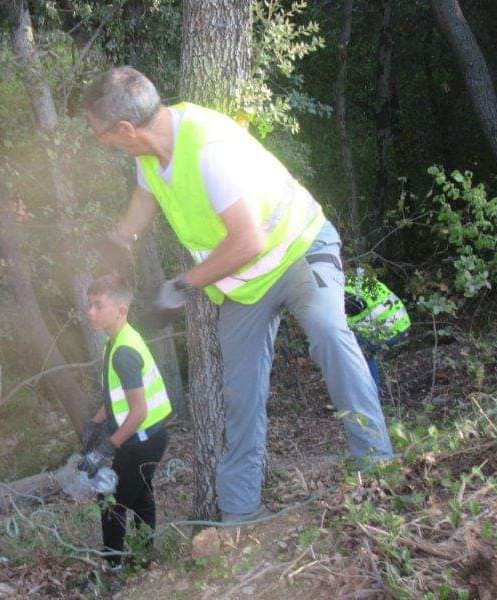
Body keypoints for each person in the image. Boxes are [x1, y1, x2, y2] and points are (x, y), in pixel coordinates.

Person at [83, 66, 394, 525]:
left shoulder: (209, 147)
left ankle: (380, 467)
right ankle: (239, 517)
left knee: (329, 333)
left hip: (300, 249)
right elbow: (146, 198)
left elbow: (248, 241)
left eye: (101, 134)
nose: (102, 142)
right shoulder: (148, 152)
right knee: (240, 392)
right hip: (247, 286)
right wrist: (118, 238)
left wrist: (184, 285)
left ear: (126, 128)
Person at [78, 273, 171, 572]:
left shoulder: (123, 352)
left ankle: (111, 569)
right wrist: (95, 422)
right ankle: (146, 555)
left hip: (143, 440)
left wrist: (107, 447)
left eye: (98, 306)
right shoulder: (116, 341)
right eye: (89, 305)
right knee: (141, 497)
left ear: (121, 310)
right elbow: (118, 396)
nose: (90, 312)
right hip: (147, 437)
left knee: (111, 503)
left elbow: (138, 411)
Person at [345, 269, 411, 389]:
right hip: (402, 322)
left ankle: (367, 395)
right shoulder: (355, 279)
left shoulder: (339, 291)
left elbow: (356, 307)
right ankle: (373, 392)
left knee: (350, 350)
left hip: (387, 330)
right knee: (365, 351)